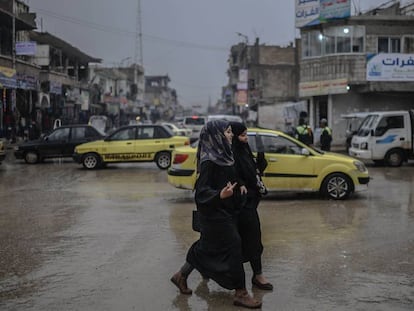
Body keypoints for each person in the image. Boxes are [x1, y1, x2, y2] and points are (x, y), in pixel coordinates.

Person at [171, 119, 262, 309]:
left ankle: (181, 275)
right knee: (234, 245)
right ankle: (241, 293)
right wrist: (219, 194)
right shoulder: (209, 161)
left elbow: (232, 178)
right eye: (227, 132)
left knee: (206, 247)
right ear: (216, 136)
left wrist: (238, 189)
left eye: (230, 132)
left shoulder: (225, 155)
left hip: (227, 211)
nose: (230, 135)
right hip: (214, 214)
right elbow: (201, 192)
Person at [230, 122, 273, 291]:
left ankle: (257, 275)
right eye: (242, 136)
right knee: (237, 242)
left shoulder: (244, 151)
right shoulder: (231, 155)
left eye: (246, 135)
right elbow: (231, 174)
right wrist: (239, 182)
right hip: (240, 207)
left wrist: (260, 160)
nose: (246, 139)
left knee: (253, 239)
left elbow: (254, 172)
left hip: (250, 204)